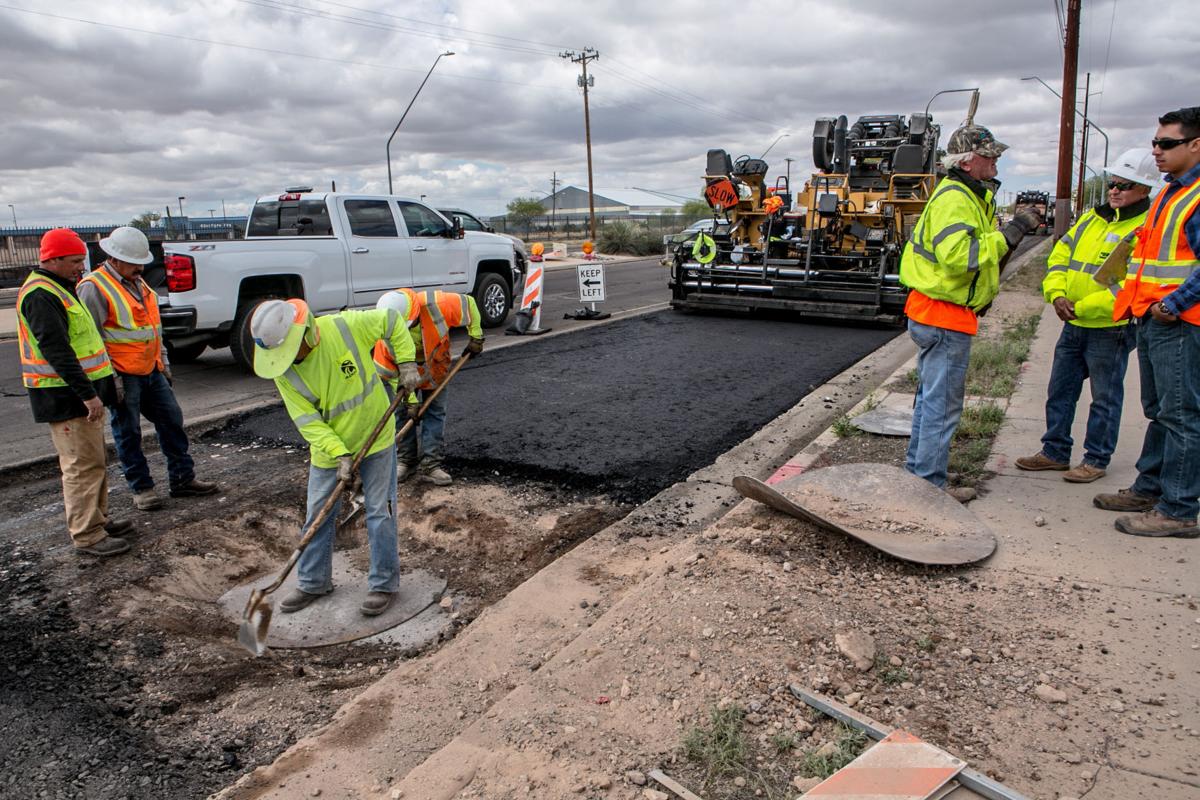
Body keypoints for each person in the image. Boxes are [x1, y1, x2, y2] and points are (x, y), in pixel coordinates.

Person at [898, 122, 1041, 502]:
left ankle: (918, 478)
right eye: (989, 154)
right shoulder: (955, 199)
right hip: (943, 315)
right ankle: (928, 487)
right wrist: (1010, 233)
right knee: (941, 407)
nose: (996, 159)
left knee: (931, 402)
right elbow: (961, 257)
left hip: (940, 313)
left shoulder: (969, 195)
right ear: (966, 161)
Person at [250, 298, 420, 615]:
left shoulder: (343, 327)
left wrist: (407, 363)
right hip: (329, 450)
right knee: (317, 514)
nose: (287, 359)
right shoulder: (283, 371)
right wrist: (339, 453)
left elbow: (393, 322)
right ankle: (313, 582)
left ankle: (384, 583)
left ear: (305, 334)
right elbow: (307, 421)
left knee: (380, 511)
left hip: (376, 437)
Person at [1015, 149, 1158, 483]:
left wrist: (1083, 307)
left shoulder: (1145, 227)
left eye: (1125, 185)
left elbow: (1131, 284)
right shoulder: (1092, 219)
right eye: (1113, 183)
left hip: (1111, 328)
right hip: (1073, 323)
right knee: (1060, 391)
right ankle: (1054, 452)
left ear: (1145, 190)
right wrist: (1057, 294)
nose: (1115, 190)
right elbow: (1060, 256)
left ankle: (1095, 459)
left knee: (1104, 399)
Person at [1096, 106, 1200, 539]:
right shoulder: (1171, 192)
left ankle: (1178, 509)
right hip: (1154, 320)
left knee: (1181, 416)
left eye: (1167, 143)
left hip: (1180, 323)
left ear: (1196, 145)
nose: (1155, 150)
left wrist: (1173, 305)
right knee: (1160, 412)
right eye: (1156, 142)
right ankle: (1151, 488)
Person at [77, 226, 219, 511]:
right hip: (123, 375)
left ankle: (182, 478)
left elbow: (154, 330)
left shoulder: (141, 285)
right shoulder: (94, 287)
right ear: (114, 259)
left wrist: (164, 364)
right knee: (128, 433)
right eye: (133, 262)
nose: (140, 267)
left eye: (141, 262)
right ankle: (142, 489)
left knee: (172, 422)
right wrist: (109, 379)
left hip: (151, 371)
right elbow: (91, 341)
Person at [17, 229, 131, 556]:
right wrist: (88, 394)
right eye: (74, 261)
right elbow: (58, 351)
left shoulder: (60, 288)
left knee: (94, 461)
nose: (80, 267)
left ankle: (98, 519)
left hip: (78, 394)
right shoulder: (41, 295)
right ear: (52, 259)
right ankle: (88, 534)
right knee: (81, 466)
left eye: (81, 261)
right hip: (66, 397)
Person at [373, 288, 484, 486]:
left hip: (435, 366)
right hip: (402, 374)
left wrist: (476, 336)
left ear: (413, 313)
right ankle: (406, 461)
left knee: (435, 412)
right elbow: (389, 374)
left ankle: (431, 464)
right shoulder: (385, 334)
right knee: (401, 414)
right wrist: (411, 401)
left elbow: (470, 304)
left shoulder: (438, 304)